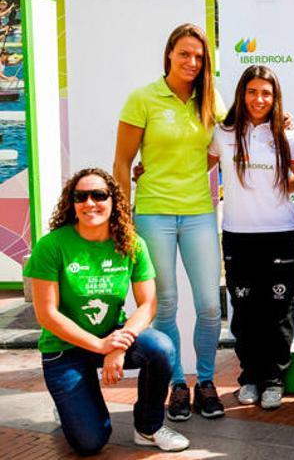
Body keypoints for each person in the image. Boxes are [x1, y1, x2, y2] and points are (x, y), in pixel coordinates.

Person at [26, 168, 189, 455]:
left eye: (99, 195)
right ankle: (68, 408)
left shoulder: (131, 243)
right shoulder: (51, 246)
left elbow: (148, 304)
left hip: (111, 337)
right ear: (71, 204)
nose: (90, 203)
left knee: (161, 347)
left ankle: (148, 428)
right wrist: (101, 345)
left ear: (114, 201)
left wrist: (118, 344)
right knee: (91, 443)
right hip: (64, 349)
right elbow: (47, 315)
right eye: (81, 196)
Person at [113, 23, 226, 421]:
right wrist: (123, 218)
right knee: (166, 305)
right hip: (154, 213)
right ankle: (177, 384)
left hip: (198, 212)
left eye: (199, 56)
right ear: (169, 55)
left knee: (211, 306)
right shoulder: (142, 98)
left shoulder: (211, 101)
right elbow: (123, 162)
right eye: (184, 54)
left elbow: (230, 141)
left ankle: (207, 382)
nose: (192, 62)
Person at [208, 65, 294, 410]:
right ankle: (249, 377)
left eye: (267, 92)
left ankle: (274, 380)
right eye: (252, 91)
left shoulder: (288, 136)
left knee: (279, 312)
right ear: (241, 94)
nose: (259, 99)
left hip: (280, 234)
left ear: (275, 97)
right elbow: (193, 168)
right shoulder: (223, 133)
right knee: (245, 312)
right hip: (237, 235)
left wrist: (279, 187)